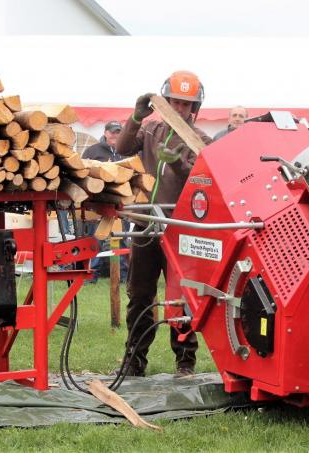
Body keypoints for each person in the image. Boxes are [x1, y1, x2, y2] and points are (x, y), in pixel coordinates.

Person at [116, 70, 213, 378]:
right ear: (164, 102)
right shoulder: (151, 129)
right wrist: (135, 117)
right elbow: (121, 148)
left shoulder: (202, 142)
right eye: (173, 102)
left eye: (185, 104)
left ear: (194, 107)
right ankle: (134, 361)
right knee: (140, 296)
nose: (179, 109)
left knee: (181, 299)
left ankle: (185, 362)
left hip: (180, 229)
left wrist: (178, 163)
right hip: (145, 224)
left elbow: (203, 185)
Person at [80, 121, 129, 282]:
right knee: (95, 240)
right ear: (106, 133)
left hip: (120, 202)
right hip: (96, 203)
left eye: (118, 132)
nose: (116, 135)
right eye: (113, 132)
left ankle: (122, 275)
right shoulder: (92, 151)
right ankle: (91, 275)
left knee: (121, 239)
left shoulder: (125, 152)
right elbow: (81, 172)